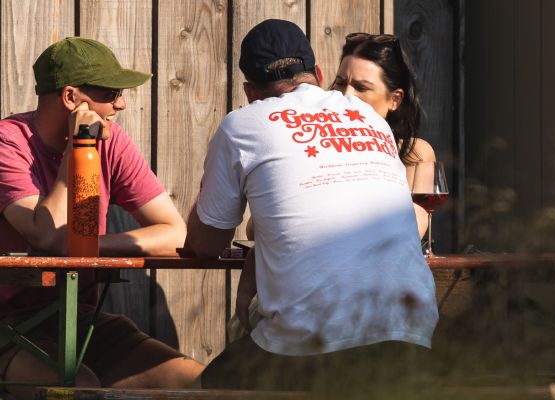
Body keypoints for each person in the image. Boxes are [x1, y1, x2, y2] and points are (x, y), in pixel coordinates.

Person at [186, 19, 438, 394]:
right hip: (412, 334)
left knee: (208, 388)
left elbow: (205, 243)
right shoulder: (368, 116)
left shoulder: (242, 124)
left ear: (250, 90)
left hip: (310, 345)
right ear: (318, 73)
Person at [0, 37, 202, 399]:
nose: (122, 104)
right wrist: (77, 149)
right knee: (78, 391)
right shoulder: (2, 145)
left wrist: (90, 248)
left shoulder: (111, 143)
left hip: (74, 321)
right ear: (70, 98)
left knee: (199, 382)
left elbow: (176, 233)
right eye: (112, 93)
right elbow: (46, 237)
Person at [332, 32, 437, 237]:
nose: (346, 95)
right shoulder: (315, 146)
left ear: (394, 100)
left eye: (361, 87)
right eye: (340, 82)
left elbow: (413, 229)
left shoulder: (413, 153)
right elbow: (256, 228)